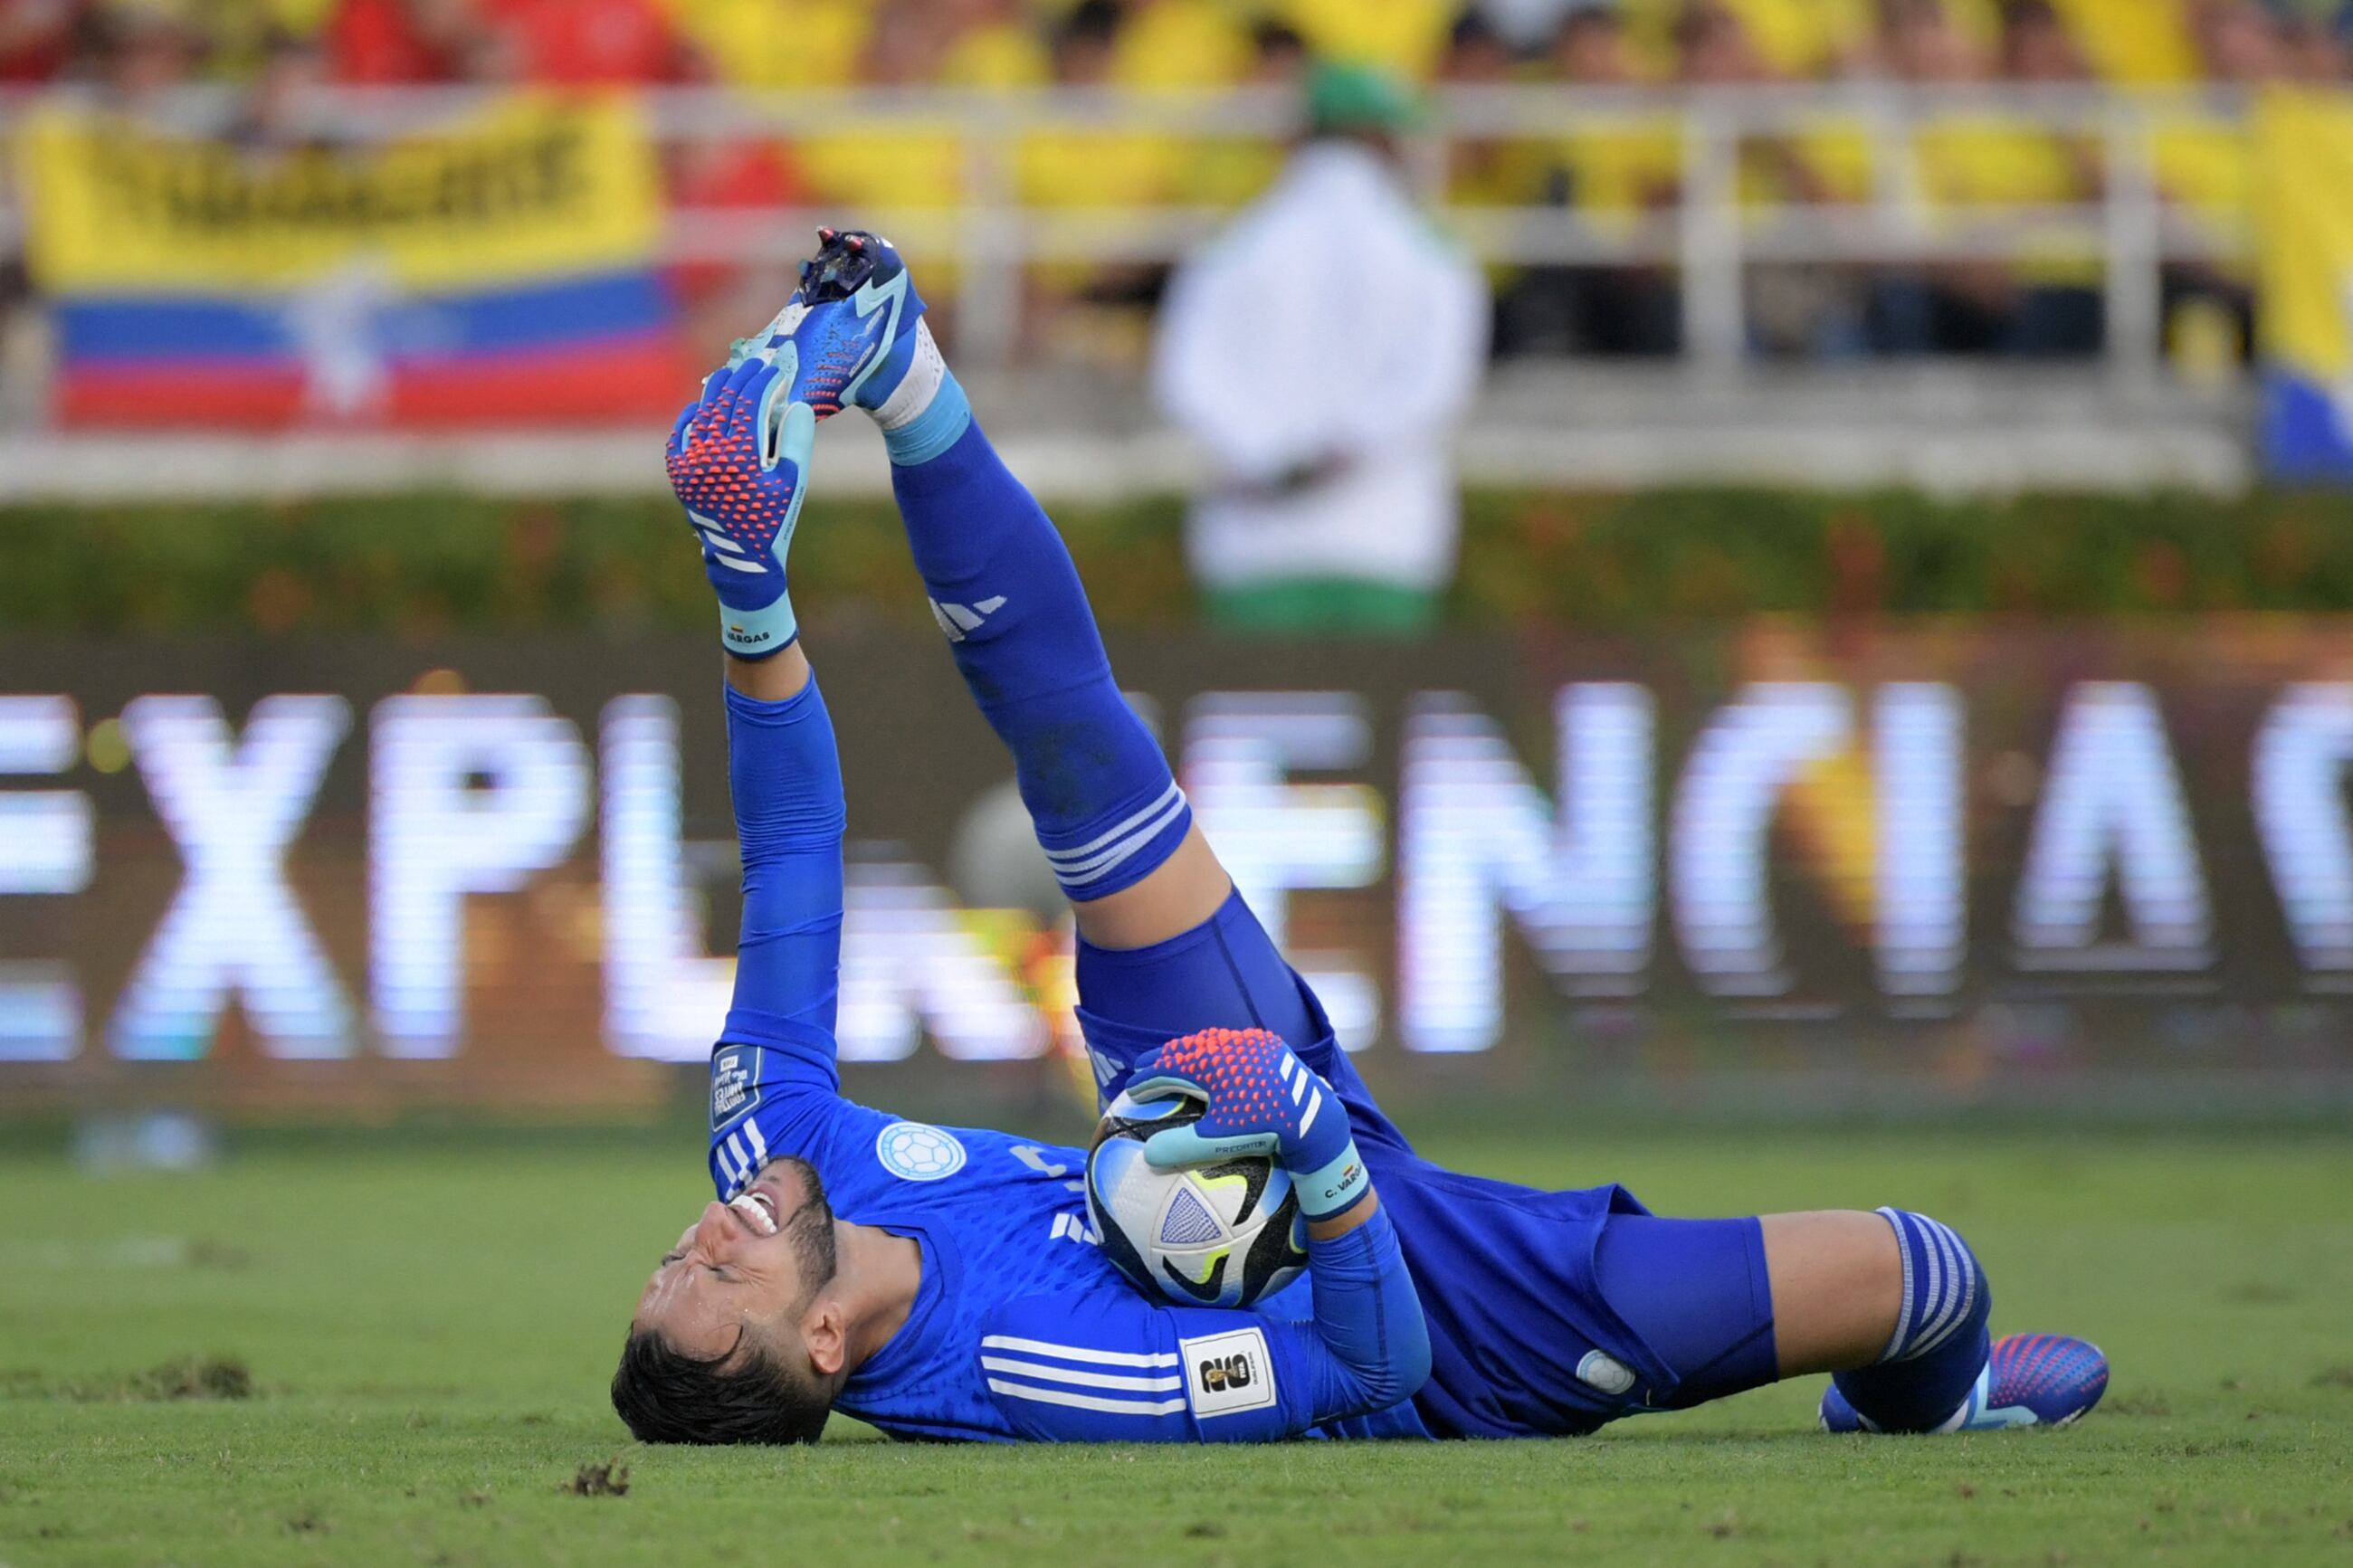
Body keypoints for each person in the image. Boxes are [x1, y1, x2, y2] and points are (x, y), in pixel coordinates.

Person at [613, 229, 2111, 1446]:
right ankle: (1923, 1401)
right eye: (713, 1280)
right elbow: (1363, 1368)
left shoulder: (774, 1140)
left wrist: (753, 606)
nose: (699, 1237)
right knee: (1925, 1271)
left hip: (1196, 1111)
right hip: (1443, 1314)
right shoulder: (1039, 1373)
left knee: (1084, 763)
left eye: (666, 1261)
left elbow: (798, 834)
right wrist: (1318, 1144)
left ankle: (897, 359)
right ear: (817, 1339)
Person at [1151, 63, 1488, 636]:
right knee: (1377, 722)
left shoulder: (1233, 245)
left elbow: (1184, 378)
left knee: (1258, 718)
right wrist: (1340, 453)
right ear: (1384, 140)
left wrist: (1270, 461)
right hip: (1386, 539)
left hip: (1254, 540)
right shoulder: (1432, 252)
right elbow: (1435, 383)